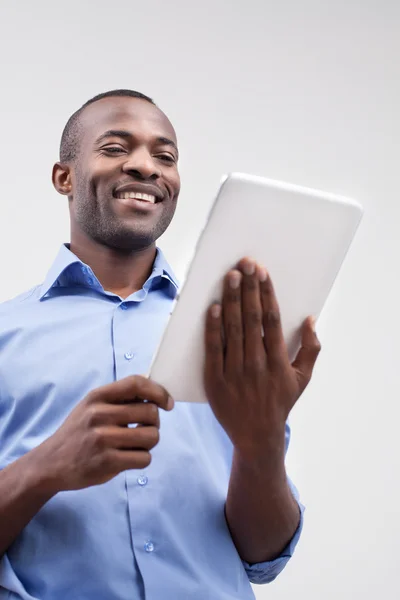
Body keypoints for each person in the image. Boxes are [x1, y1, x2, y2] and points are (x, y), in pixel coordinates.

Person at [0, 89, 321, 600]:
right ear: (64, 176)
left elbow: (263, 555)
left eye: (165, 156)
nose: (146, 167)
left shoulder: (229, 337)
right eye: (114, 147)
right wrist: (45, 467)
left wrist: (260, 444)